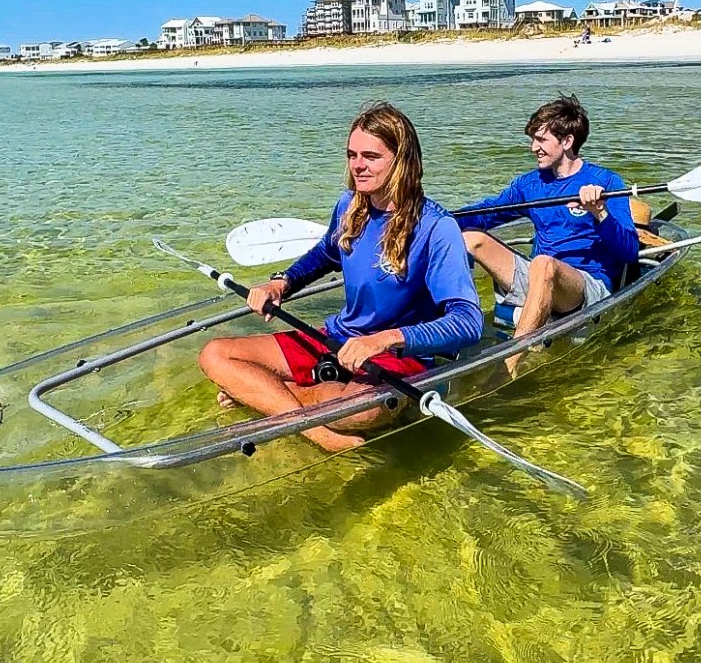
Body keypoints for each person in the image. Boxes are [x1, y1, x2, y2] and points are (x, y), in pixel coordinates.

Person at [198, 102, 484, 453]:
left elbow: (468, 323)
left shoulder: (437, 229)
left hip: (397, 358)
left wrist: (385, 340)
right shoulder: (351, 205)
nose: (357, 166)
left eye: (370, 156)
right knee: (215, 354)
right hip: (337, 337)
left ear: (402, 160)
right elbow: (325, 254)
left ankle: (266, 396)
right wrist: (281, 282)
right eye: (351, 155)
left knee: (365, 410)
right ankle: (315, 430)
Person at [455, 94, 639, 343]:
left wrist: (600, 213)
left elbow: (629, 252)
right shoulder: (529, 184)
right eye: (533, 139)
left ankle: (513, 359)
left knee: (544, 264)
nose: (533, 147)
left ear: (567, 141)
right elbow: (486, 214)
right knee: (470, 239)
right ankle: (454, 324)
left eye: (541, 139)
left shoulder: (607, 182)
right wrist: (430, 220)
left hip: (586, 285)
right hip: (537, 277)